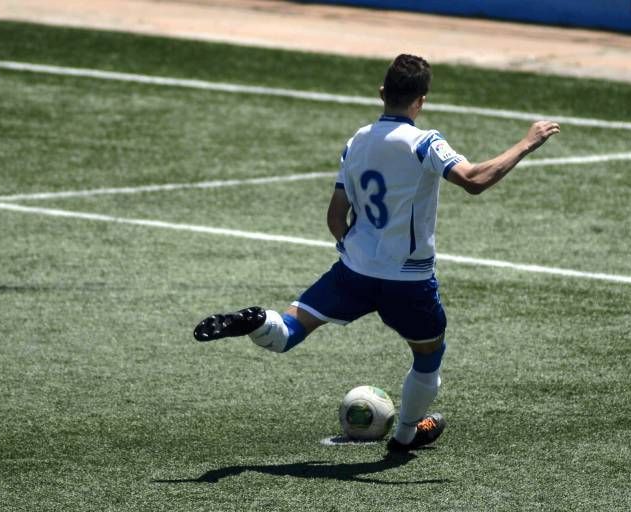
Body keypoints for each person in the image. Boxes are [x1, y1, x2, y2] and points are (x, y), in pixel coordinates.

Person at [193, 54, 560, 453]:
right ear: (421, 100)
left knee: (287, 330)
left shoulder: (357, 140)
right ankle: (405, 434)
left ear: (382, 92)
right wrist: (528, 141)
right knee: (429, 355)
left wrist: (353, 251)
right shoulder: (425, 143)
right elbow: (474, 180)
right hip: (408, 280)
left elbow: (336, 215)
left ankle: (257, 320)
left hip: (354, 270)